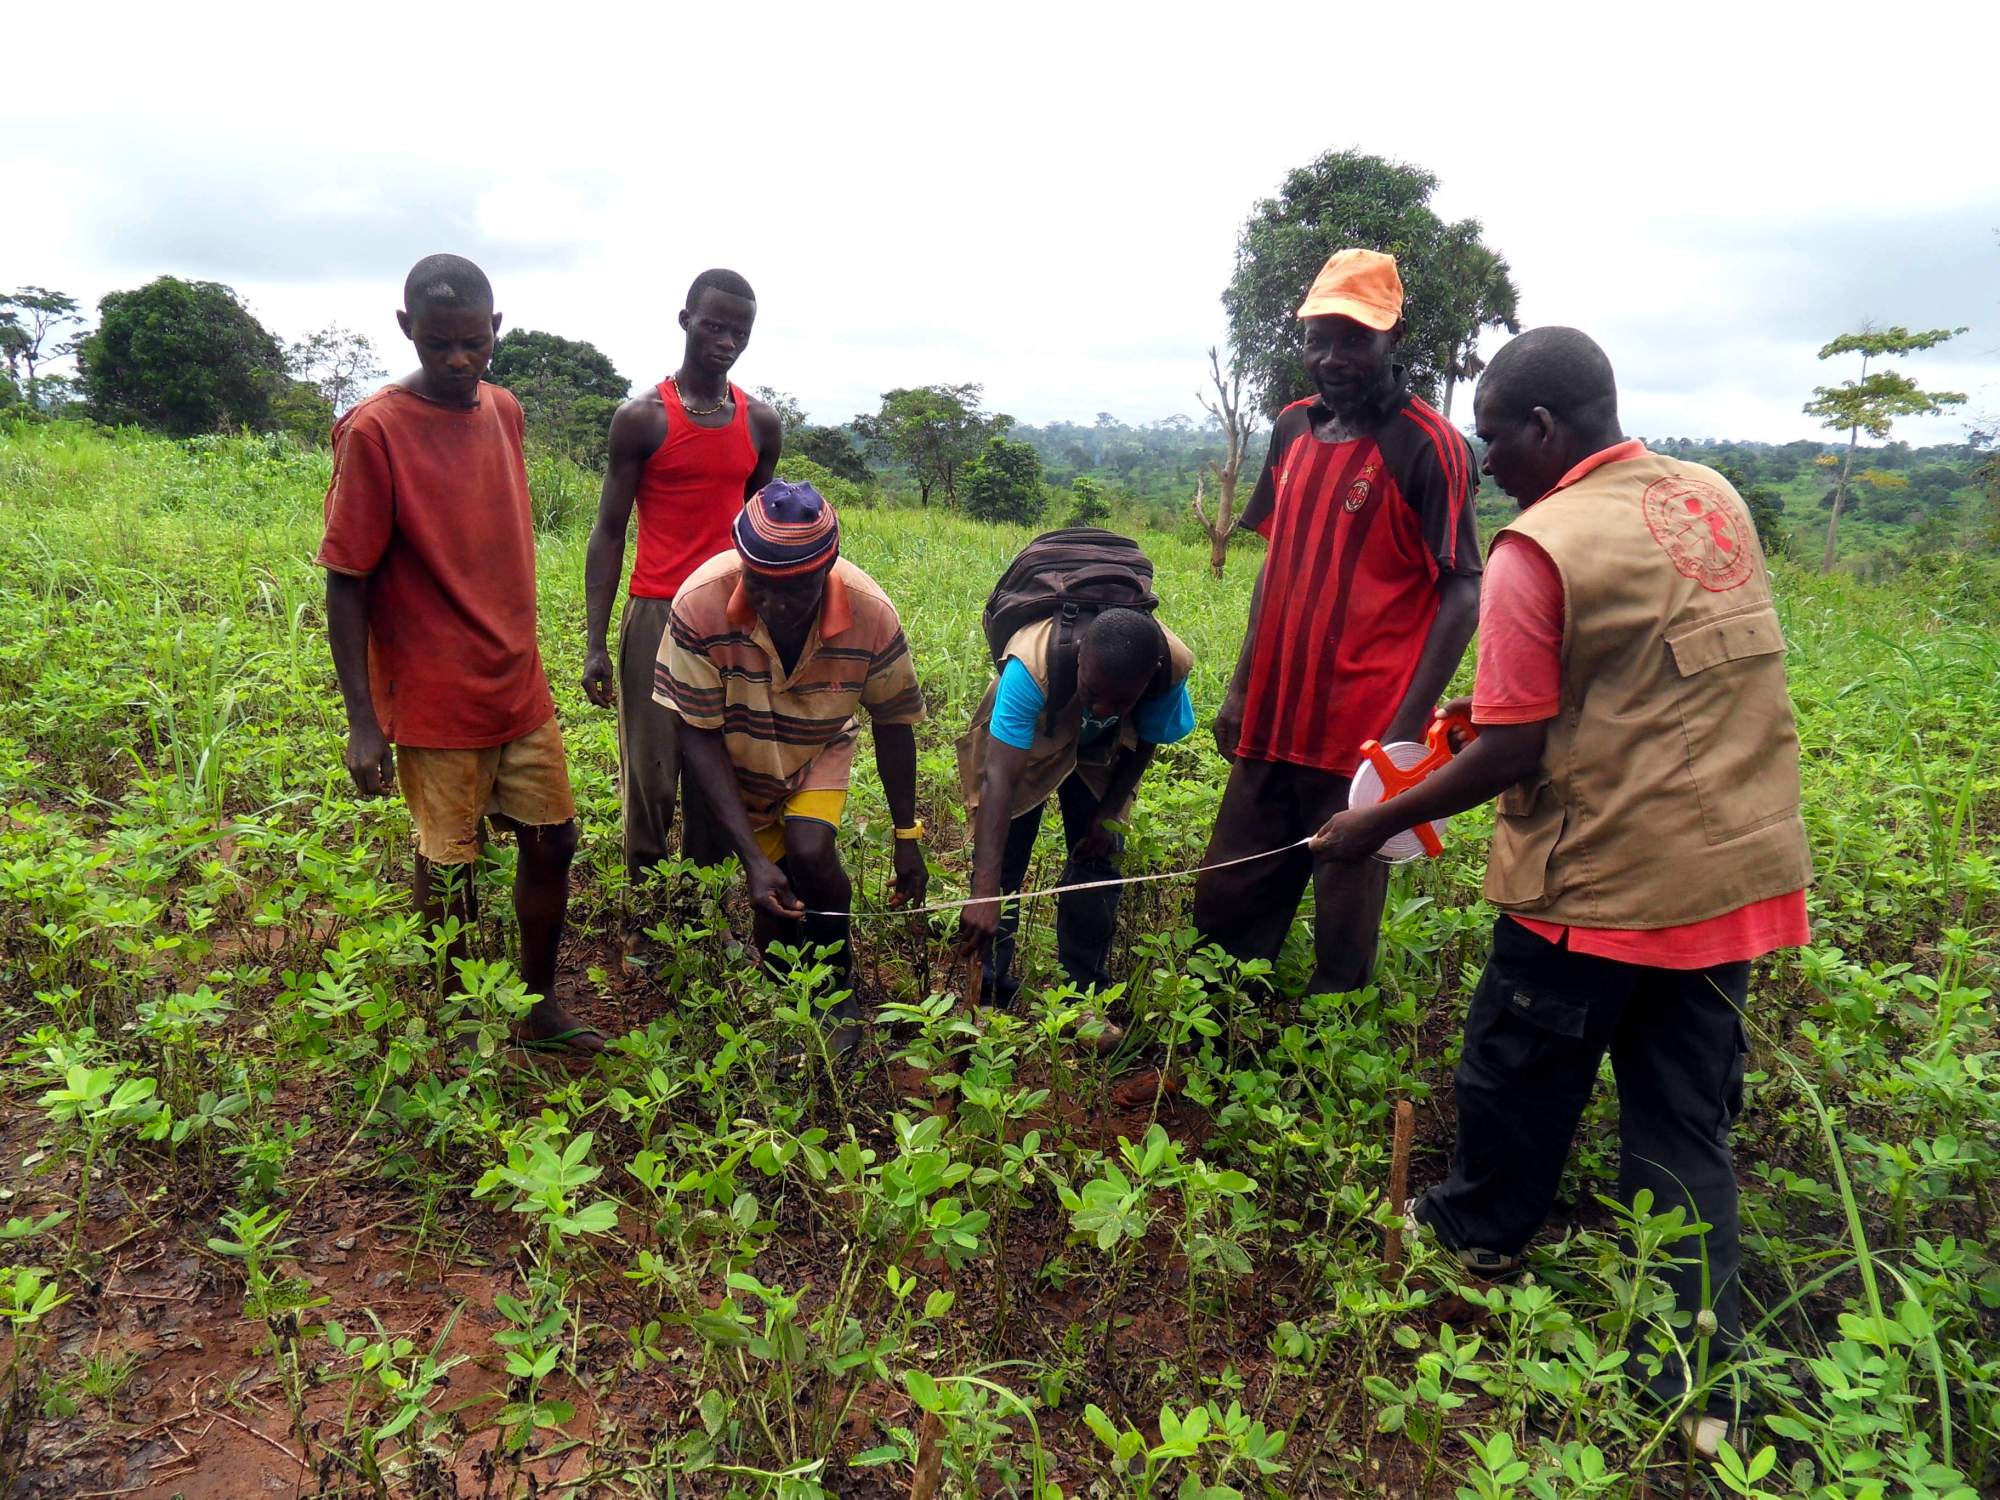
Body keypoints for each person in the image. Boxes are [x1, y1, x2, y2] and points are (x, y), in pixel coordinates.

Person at [1311, 327, 1811, 1454]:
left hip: (1601, 885)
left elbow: (1512, 753)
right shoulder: (1709, 497)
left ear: (1542, 429)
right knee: (1683, 1127)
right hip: (1730, 875)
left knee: (1515, 1069)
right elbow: (1630, 685)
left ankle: (1478, 1233)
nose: (1483, 460)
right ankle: (1695, 1384)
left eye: (1492, 437)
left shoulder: (1536, 549)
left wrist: (1369, 826)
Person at [318, 254, 600, 1054]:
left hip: (516, 680)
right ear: (406, 329)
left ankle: (538, 1005)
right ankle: (456, 1012)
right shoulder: (374, 430)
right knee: (451, 866)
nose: (457, 361)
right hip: (434, 693)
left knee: (555, 840)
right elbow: (347, 580)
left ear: (496, 331)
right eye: (438, 343)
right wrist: (362, 722)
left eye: (473, 343)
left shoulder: (504, 410)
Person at [1192, 248, 1481, 996]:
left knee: (1344, 889)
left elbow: (1461, 592)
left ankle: (1326, 1033)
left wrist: (1402, 737)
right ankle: (1229, 1028)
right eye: (1319, 337)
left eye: (1354, 337)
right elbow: (1276, 564)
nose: (1332, 356)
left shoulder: (1430, 446)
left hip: (1363, 724)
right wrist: (1239, 687)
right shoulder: (1291, 430)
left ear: (1392, 337)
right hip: (1275, 711)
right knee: (1228, 894)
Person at [653, 480, 927, 1051]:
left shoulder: (870, 613)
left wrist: (907, 835)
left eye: (795, 590)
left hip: (817, 748)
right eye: (760, 585)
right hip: (734, 762)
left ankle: (837, 987)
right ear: (740, 562)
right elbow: (696, 737)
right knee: (773, 899)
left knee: (811, 854)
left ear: (825, 571)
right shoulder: (700, 602)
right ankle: (787, 1000)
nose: (776, 604)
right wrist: (752, 860)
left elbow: (894, 722)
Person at [581, 269, 782, 939]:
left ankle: (700, 913)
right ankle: (647, 915)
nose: (726, 341)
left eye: (740, 332)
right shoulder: (642, 419)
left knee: (717, 768)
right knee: (652, 771)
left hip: (732, 616)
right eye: (714, 325)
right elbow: (609, 533)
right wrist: (594, 643)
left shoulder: (759, 423)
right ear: (685, 319)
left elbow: (763, 531)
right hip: (659, 613)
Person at [954, 606, 1196, 1021]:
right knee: (1001, 860)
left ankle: (1083, 1000)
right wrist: (985, 891)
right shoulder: (1029, 666)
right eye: (1094, 692)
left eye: (1121, 700)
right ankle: (989, 993)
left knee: (1096, 866)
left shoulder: (1166, 668)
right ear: (1080, 655)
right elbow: (999, 780)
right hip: (1034, 736)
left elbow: (1148, 740)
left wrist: (1108, 814)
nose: (1103, 709)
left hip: (1105, 752)